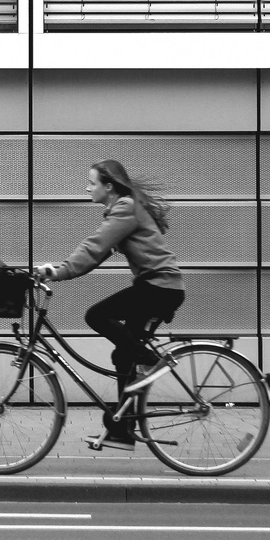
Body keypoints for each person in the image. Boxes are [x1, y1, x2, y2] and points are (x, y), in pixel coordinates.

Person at [39, 159, 184, 451]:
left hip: (160, 287)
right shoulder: (122, 211)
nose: (87, 187)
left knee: (97, 315)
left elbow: (94, 246)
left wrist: (58, 271)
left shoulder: (125, 208)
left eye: (92, 183)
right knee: (122, 356)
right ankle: (123, 429)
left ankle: (150, 362)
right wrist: (62, 271)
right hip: (156, 287)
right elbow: (95, 254)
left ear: (109, 186)